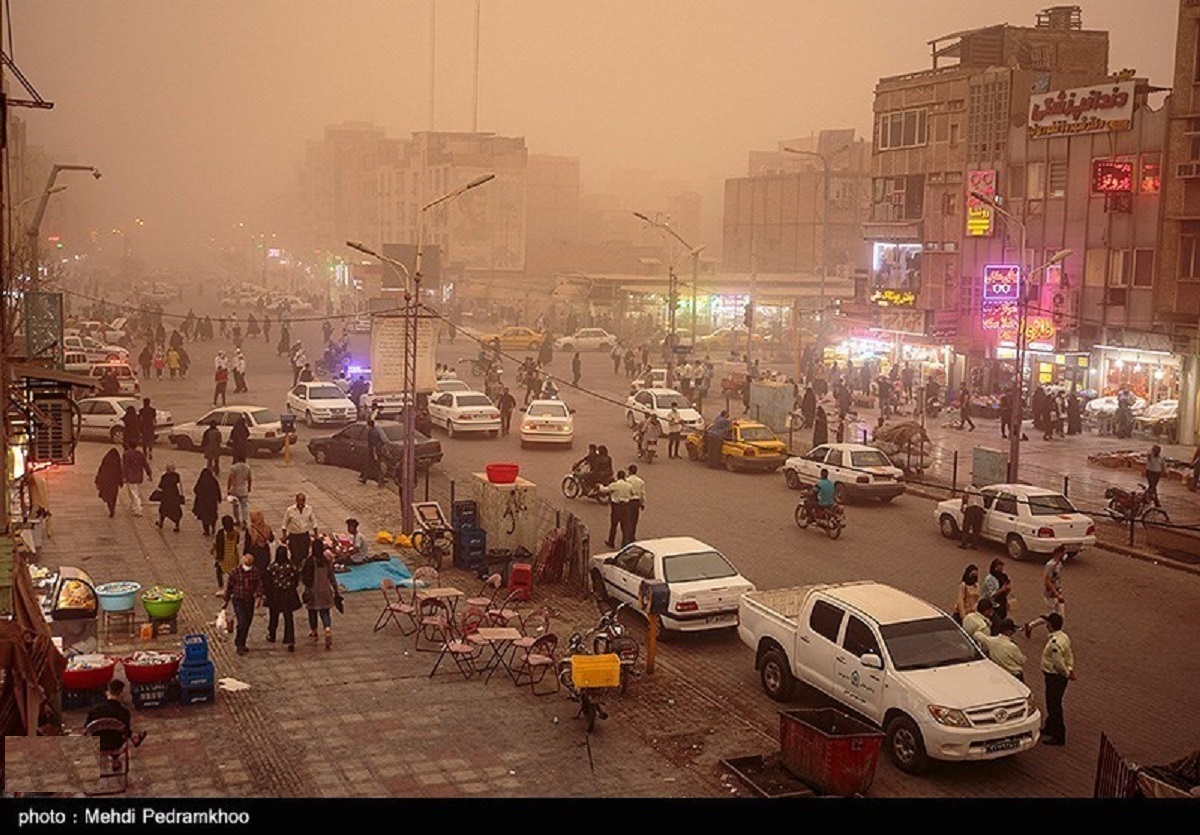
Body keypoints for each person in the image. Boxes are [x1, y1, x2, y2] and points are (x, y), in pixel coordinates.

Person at [1040, 612, 1075, 746]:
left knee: (1054, 704)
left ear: (1050, 626)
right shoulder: (1064, 637)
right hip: (1058, 675)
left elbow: (1058, 662)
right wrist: (1070, 668)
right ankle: (1050, 727)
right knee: (1052, 702)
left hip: (1054, 676)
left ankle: (1058, 734)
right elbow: (1069, 655)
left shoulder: (1055, 643)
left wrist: (1066, 672)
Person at [85, 680, 146, 755]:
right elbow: (125, 731)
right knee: (119, 735)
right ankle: (116, 759)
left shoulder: (95, 710)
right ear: (121, 693)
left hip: (97, 744)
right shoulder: (124, 712)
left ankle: (134, 737)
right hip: (116, 745)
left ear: (107, 692)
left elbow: (87, 728)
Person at [224, 553, 265, 656]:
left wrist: (258, 598)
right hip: (238, 600)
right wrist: (226, 600)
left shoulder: (255, 572)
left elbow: (259, 585)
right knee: (242, 622)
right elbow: (229, 586)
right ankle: (239, 644)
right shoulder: (235, 572)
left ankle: (243, 642)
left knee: (247, 622)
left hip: (249, 600)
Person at [301, 538, 339, 650]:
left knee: (312, 611)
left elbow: (304, 577)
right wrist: (335, 589)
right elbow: (331, 576)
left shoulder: (309, 561)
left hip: (313, 590)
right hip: (326, 589)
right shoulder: (326, 561)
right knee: (325, 611)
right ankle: (327, 629)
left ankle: (314, 631)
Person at [1024, 546, 1067, 639]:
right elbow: (1047, 581)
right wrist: (1055, 593)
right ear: (1059, 553)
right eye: (1063, 552)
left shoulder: (1059, 564)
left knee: (1061, 615)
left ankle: (1058, 634)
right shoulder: (1050, 565)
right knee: (1050, 616)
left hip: (1058, 592)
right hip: (1051, 594)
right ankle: (1031, 625)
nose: (1065, 555)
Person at [264, 545, 301, 651]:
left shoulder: (272, 567)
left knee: (273, 616)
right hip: (287, 594)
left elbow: (267, 580)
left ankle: (272, 634)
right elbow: (296, 578)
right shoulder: (291, 566)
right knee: (288, 617)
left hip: (275, 594)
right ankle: (289, 639)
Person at [599, 470, 635, 548]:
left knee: (614, 525)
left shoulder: (614, 485)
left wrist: (600, 486)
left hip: (616, 507)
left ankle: (611, 541)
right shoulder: (629, 485)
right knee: (625, 526)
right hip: (626, 507)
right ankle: (625, 544)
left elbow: (604, 490)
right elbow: (633, 493)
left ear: (618, 477)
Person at [281, 492, 318, 564]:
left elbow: (314, 522)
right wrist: (284, 535)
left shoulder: (309, 509)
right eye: (299, 500)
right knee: (295, 555)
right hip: (294, 536)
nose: (301, 502)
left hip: (304, 536)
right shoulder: (290, 510)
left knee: (305, 554)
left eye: (303, 500)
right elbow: (284, 523)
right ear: (296, 500)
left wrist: (316, 534)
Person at [211, 514, 243, 593]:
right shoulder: (236, 533)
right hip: (233, 556)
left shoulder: (221, 533)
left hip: (223, 556)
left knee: (220, 571)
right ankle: (233, 586)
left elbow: (216, 544)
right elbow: (237, 542)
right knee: (232, 572)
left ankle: (223, 587)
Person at [152, 463, 184, 532]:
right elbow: (179, 485)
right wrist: (181, 494)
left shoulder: (164, 476)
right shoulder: (177, 476)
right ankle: (177, 525)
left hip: (166, 495)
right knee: (176, 510)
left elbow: (160, 486)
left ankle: (161, 523)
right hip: (174, 495)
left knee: (163, 509)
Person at [121, 445, 151, 517]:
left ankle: (138, 509)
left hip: (131, 476)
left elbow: (125, 466)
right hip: (139, 476)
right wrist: (149, 474)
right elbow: (146, 465)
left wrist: (123, 476)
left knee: (134, 493)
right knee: (134, 492)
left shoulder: (126, 454)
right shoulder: (140, 454)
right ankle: (133, 507)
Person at [981, 557, 1013, 622]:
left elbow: (1005, 592)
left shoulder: (1003, 576)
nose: (1000, 570)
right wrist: (1002, 589)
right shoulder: (989, 579)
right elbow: (991, 595)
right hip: (992, 604)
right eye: (998, 568)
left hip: (1001, 603)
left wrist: (1007, 590)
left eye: (1001, 568)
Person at [95, 448, 124, 518]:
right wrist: (121, 482)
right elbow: (120, 472)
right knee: (113, 497)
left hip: (107, 481)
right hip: (114, 483)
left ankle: (110, 507)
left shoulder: (106, 460)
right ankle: (112, 509)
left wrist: (97, 480)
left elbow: (101, 469)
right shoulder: (117, 462)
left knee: (108, 496)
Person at [192, 466, 221, 536]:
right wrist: (219, 499)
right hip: (212, 503)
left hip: (203, 503)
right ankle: (213, 527)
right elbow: (218, 490)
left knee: (204, 517)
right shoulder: (214, 481)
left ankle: (206, 531)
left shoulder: (201, 481)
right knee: (212, 515)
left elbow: (195, 490)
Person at [226, 455, 252, 526]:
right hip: (243, 489)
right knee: (244, 506)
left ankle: (237, 520)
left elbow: (230, 479)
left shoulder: (234, 467)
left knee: (235, 507)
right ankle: (245, 520)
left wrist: (228, 488)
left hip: (235, 490)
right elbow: (249, 479)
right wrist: (249, 487)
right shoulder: (247, 467)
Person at [359, 418, 386, 486]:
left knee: (376, 467)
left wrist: (374, 454)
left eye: (367, 425)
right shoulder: (376, 431)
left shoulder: (371, 432)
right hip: (375, 451)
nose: (366, 427)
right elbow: (381, 441)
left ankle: (381, 481)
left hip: (374, 452)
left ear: (369, 425)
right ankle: (364, 479)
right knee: (369, 465)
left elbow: (373, 444)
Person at [626, 464, 646, 542]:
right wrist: (642, 503)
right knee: (634, 520)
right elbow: (642, 493)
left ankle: (627, 535)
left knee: (627, 520)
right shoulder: (640, 481)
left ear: (630, 471)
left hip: (628, 502)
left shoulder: (627, 480)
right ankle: (632, 535)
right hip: (636, 503)